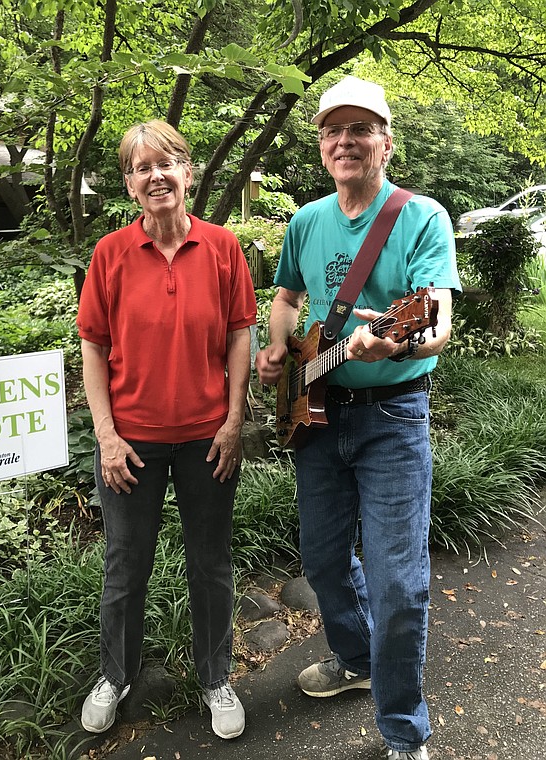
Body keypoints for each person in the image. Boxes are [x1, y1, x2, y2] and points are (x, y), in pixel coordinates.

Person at [256, 76, 461, 760]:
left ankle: (404, 731)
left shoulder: (421, 217)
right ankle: (354, 657)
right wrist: (280, 344)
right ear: (321, 145)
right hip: (317, 413)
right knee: (321, 559)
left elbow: (434, 319)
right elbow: (286, 296)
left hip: (392, 418)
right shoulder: (308, 221)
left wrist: (401, 339)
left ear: (385, 142)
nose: (345, 140)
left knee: (400, 582)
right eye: (332, 130)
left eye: (360, 129)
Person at [76, 120, 257, 741]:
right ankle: (116, 674)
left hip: (209, 439)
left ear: (189, 171)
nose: (156, 176)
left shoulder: (224, 249)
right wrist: (105, 434)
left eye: (167, 162)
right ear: (129, 185)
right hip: (132, 444)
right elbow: (93, 349)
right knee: (126, 564)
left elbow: (240, 336)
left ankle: (216, 678)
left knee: (210, 563)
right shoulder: (111, 255)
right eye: (141, 167)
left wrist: (235, 422)